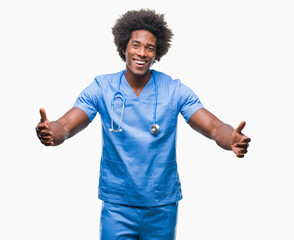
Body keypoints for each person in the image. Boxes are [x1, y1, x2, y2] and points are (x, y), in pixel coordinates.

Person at [36, 9, 250, 240]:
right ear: (123, 48)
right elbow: (66, 125)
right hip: (117, 205)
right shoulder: (102, 88)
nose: (142, 53)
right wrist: (51, 132)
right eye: (136, 45)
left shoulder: (174, 90)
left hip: (162, 205)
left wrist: (231, 139)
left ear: (157, 53)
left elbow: (214, 127)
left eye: (150, 48)